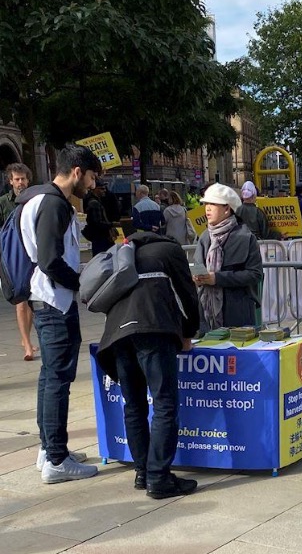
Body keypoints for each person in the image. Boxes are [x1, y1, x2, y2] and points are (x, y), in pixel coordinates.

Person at [95, 232, 201, 498]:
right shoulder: (169, 250)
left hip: (117, 335)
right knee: (164, 403)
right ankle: (159, 478)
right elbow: (187, 292)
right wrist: (189, 331)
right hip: (153, 327)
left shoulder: (123, 251)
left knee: (134, 406)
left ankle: (143, 472)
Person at [19, 144, 102, 483]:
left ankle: (49, 449)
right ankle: (56, 458)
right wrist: (82, 283)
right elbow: (50, 261)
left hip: (49, 300)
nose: (93, 186)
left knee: (50, 378)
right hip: (55, 302)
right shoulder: (54, 204)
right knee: (57, 381)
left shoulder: (43, 199)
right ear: (78, 172)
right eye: (93, 177)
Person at [193, 184, 263, 332]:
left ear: (227, 208)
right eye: (206, 204)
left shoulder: (245, 237)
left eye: (213, 204)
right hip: (206, 316)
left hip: (237, 314)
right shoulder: (204, 237)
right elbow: (197, 264)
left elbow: (255, 274)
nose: (207, 208)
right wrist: (196, 277)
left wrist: (218, 278)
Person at [1, 162, 38, 361]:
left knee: (31, 299)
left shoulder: (33, 201)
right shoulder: (4, 203)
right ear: (10, 181)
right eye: (17, 179)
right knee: (20, 301)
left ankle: (26, 339)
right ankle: (27, 345)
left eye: (23, 179)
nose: (20, 182)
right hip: (11, 258)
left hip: (30, 256)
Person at [84, 178, 115, 255]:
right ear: (95, 189)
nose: (104, 191)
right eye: (102, 189)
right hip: (100, 238)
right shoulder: (94, 203)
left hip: (98, 238)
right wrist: (112, 224)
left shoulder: (95, 201)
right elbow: (98, 222)